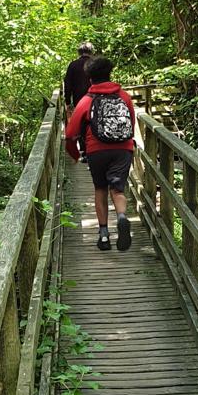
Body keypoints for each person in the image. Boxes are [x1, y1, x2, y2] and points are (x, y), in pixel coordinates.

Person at [65, 56, 135, 252]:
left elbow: (70, 134)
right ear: (109, 74)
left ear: (90, 78)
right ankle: (121, 217)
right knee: (118, 190)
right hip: (123, 148)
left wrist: (74, 154)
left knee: (100, 189)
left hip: (96, 150)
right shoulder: (124, 97)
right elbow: (132, 124)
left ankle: (104, 236)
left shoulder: (87, 100)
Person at [63, 42, 95, 160]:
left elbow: (68, 84)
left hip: (79, 99)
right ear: (91, 51)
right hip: (95, 97)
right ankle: (93, 149)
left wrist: (67, 101)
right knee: (94, 122)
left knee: (82, 124)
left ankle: (84, 150)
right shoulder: (95, 64)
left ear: (79, 52)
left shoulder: (73, 65)